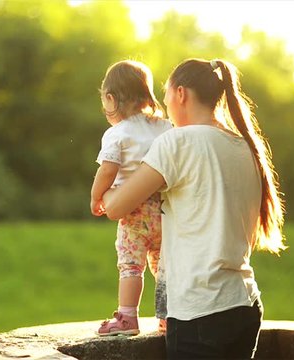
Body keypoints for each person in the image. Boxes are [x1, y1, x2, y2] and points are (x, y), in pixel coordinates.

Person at [102, 58, 286, 359]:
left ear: (181, 94)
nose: (166, 109)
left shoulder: (177, 142)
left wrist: (104, 189)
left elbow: (116, 207)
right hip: (245, 303)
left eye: (166, 98)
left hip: (200, 312)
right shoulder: (245, 146)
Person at [90, 60, 173, 336]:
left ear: (111, 98)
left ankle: (127, 317)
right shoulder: (166, 126)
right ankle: (168, 318)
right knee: (163, 267)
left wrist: (96, 197)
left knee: (130, 266)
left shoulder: (117, 133)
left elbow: (107, 169)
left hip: (133, 213)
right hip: (165, 211)